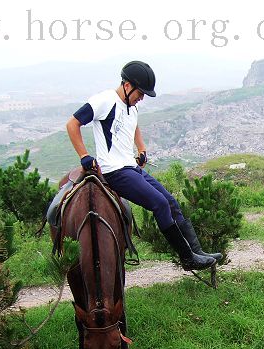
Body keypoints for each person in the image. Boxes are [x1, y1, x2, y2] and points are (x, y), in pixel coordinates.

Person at [66, 60, 221, 271]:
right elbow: (72, 123)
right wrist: (84, 155)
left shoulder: (131, 106)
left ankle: (197, 252)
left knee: (171, 202)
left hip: (131, 167)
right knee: (160, 204)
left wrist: (141, 148)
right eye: (141, 93)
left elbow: (134, 125)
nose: (142, 98)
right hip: (115, 171)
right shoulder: (103, 101)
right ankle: (187, 258)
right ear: (127, 85)